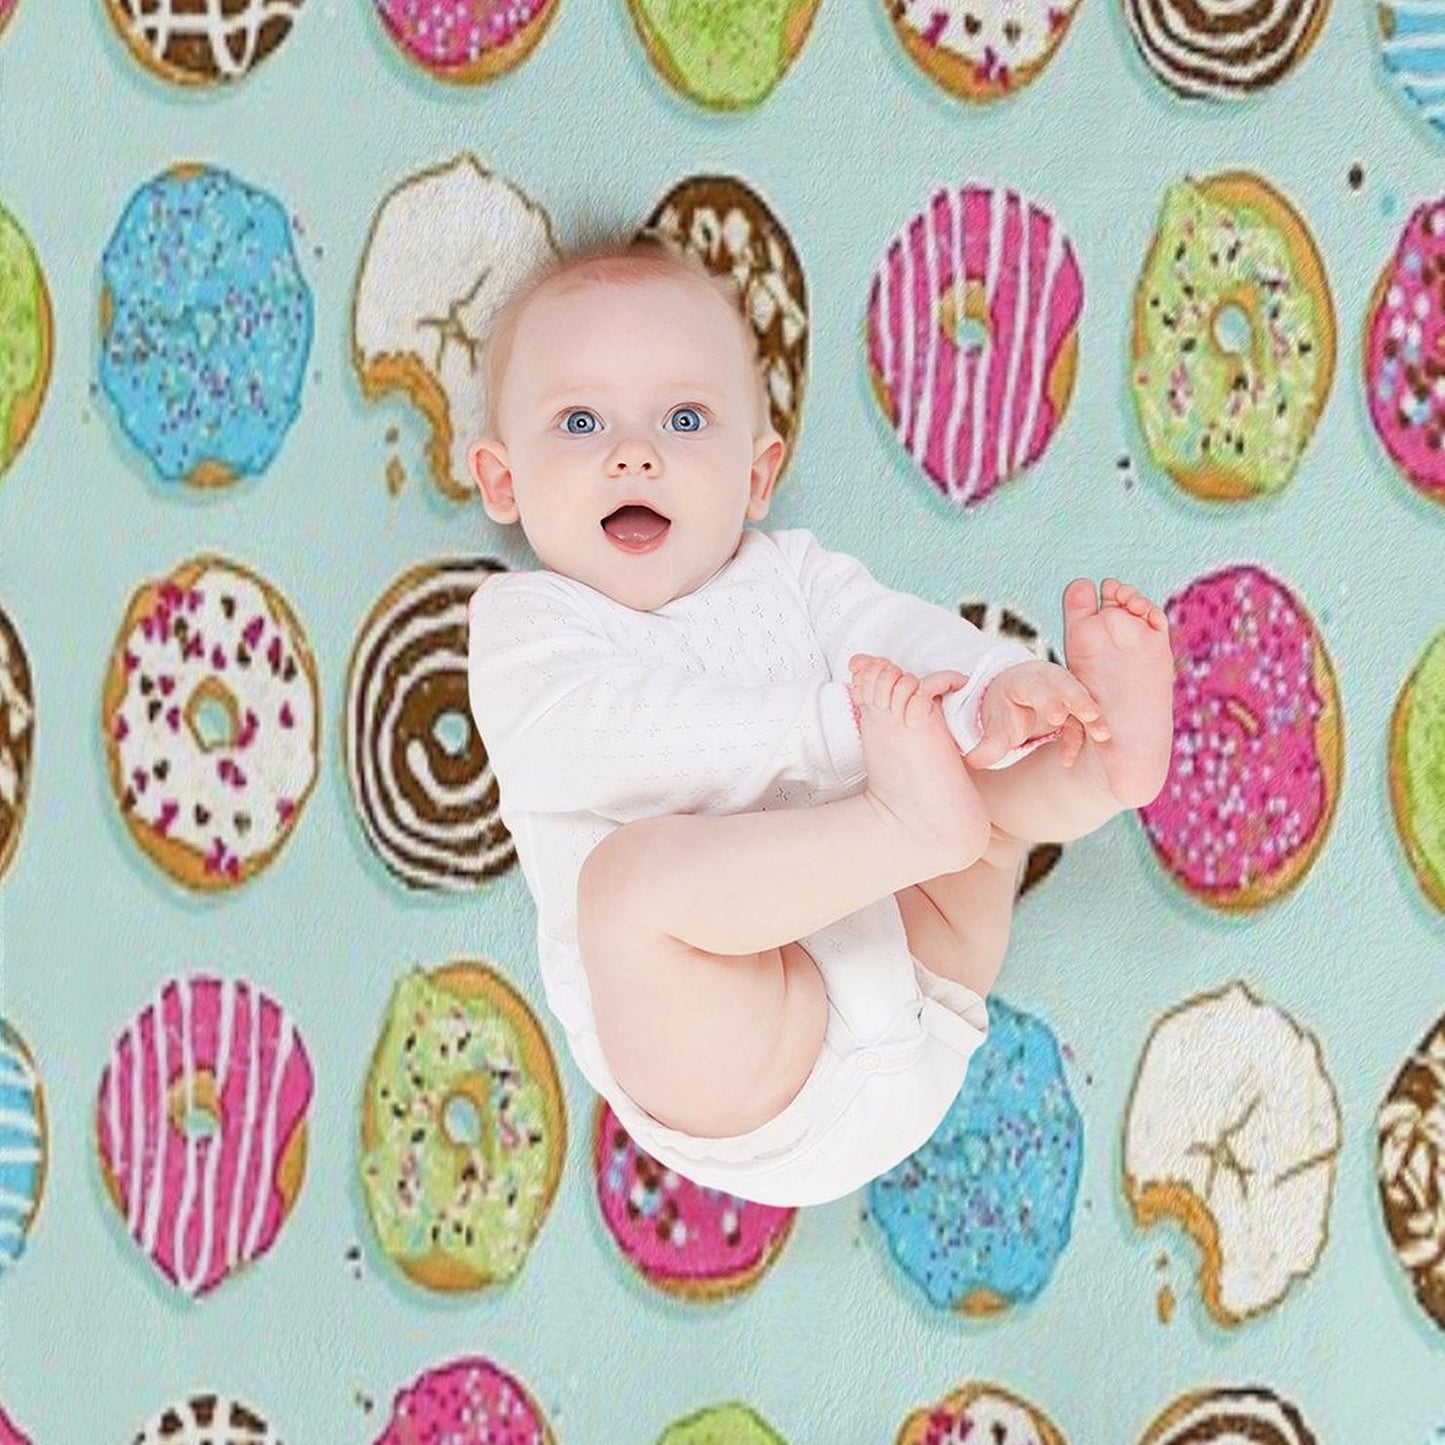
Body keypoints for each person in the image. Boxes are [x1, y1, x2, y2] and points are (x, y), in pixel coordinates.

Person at [465, 233, 1174, 1207]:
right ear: (501, 480)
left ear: (756, 474)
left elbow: (897, 636)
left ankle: (1095, 765)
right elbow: (616, 737)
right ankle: (911, 820)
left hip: (922, 973)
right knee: (624, 891)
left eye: (683, 417)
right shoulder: (524, 628)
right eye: (580, 420)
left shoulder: (791, 574)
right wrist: (837, 730)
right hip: (751, 1062)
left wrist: (988, 688)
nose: (635, 451)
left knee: (975, 775)